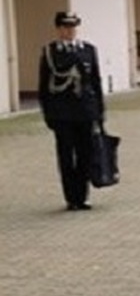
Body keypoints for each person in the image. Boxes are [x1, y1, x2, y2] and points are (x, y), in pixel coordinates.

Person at [38, 11, 105, 212]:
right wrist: (48, 115)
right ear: (58, 29)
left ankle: (82, 196)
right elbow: (43, 87)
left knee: (85, 154)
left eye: (73, 27)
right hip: (62, 114)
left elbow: (95, 82)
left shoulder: (88, 50)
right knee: (66, 156)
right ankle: (70, 198)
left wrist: (100, 112)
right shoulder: (51, 52)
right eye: (66, 27)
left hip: (85, 112)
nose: (70, 31)